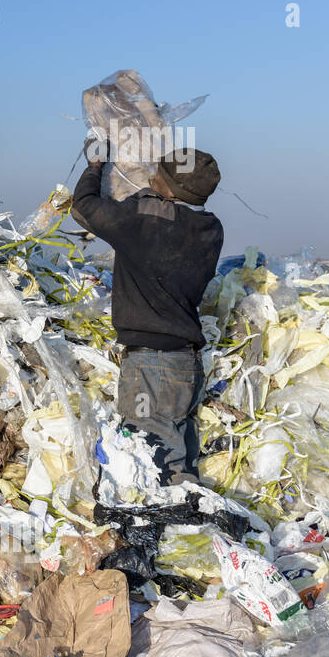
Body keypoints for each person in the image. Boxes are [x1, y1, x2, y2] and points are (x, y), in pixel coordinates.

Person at [71, 145, 224, 482]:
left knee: (150, 459)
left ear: (171, 188)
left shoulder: (144, 220)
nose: (153, 176)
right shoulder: (211, 229)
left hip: (151, 368)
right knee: (179, 462)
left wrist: (95, 166)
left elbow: (83, 209)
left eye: (160, 175)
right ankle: (194, 523)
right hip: (186, 365)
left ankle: (173, 525)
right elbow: (164, 216)